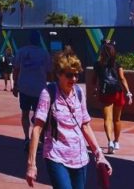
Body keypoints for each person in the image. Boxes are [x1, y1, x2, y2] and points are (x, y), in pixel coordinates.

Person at [26, 51, 111, 189]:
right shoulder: (48, 94)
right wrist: (31, 164)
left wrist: (99, 154)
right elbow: (37, 129)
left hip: (80, 157)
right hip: (56, 156)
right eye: (69, 75)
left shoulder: (79, 93)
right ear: (59, 74)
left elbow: (85, 126)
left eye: (77, 74)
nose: (74, 79)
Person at [91, 40, 132, 154]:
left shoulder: (98, 65)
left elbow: (94, 80)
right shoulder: (117, 64)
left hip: (105, 92)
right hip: (117, 92)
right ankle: (116, 141)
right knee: (117, 119)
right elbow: (122, 78)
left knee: (107, 118)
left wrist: (95, 89)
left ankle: (109, 142)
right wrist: (128, 92)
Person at [13, 30, 51, 147]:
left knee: (25, 113)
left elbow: (16, 70)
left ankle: (26, 138)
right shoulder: (44, 53)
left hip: (24, 87)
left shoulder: (21, 51)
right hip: (39, 89)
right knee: (38, 116)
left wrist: (15, 85)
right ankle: (36, 138)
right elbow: (49, 72)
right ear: (38, 40)